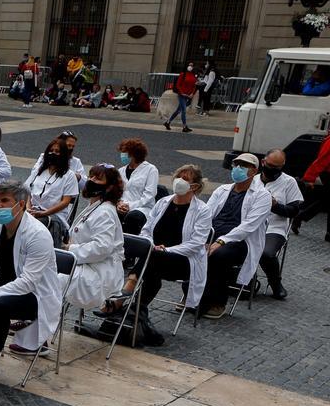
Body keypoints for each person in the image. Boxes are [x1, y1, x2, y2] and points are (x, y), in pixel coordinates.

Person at [0, 180, 62, 392]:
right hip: (5, 283)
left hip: (34, 295)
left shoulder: (38, 235)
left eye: (4, 201)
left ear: (22, 204)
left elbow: (28, 281)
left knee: (0, 307)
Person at [122, 165, 211, 334]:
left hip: (183, 261)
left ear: (195, 186)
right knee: (152, 264)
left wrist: (167, 250)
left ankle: (125, 293)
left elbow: (196, 244)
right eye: (179, 176)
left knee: (153, 259)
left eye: (186, 179)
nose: (180, 181)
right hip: (155, 256)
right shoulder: (163, 202)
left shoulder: (202, 210)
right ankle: (135, 310)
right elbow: (146, 230)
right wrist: (152, 245)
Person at [199, 153, 271, 318]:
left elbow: (248, 226)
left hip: (240, 242)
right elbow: (206, 215)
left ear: (254, 171)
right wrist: (201, 238)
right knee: (194, 250)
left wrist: (221, 241)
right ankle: (192, 296)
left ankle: (218, 302)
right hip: (213, 234)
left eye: (243, 166)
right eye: (236, 164)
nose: (238, 168)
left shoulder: (262, 196)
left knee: (218, 256)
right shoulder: (222, 190)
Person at [61, 164, 124, 310]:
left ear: (109, 187)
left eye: (98, 178)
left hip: (98, 274)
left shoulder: (105, 212)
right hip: (87, 266)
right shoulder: (96, 206)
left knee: (51, 276)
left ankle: (38, 321)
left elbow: (102, 247)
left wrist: (71, 248)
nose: (91, 180)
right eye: (91, 176)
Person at [257, 149, 302, 299]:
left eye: (277, 167)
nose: (273, 170)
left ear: (282, 166)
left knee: (266, 253)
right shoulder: (253, 180)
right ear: (263, 162)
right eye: (270, 165)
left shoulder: (289, 182)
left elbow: (294, 211)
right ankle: (240, 281)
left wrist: (275, 205)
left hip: (274, 228)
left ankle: (275, 283)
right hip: (250, 226)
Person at [24, 136, 79, 244]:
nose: (53, 153)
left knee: (43, 223)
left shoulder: (69, 175)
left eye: (57, 151)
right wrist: (28, 209)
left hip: (55, 215)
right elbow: (28, 192)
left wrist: (45, 213)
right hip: (33, 211)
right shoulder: (39, 171)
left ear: (63, 155)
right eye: (51, 151)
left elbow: (65, 202)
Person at [116, 138, 159, 235]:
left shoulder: (151, 170)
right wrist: (118, 204)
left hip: (143, 209)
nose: (122, 155)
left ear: (133, 154)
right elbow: (117, 192)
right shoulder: (120, 171)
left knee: (133, 217)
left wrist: (129, 206)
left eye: (124, 153)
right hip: (122, 206)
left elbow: (149, 195)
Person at [165, 62, 198, 132]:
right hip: (182, 95)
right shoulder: (183, 74)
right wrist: (182, 93)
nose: (190, 66)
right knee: (183, 110)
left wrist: (192, 93)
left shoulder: (194, 76)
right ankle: (184, 126)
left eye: (192, 65)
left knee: (178, 110)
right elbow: (178, 85)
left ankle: (168, 122)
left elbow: (194, 86)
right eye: (189, 65)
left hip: (188, 95)